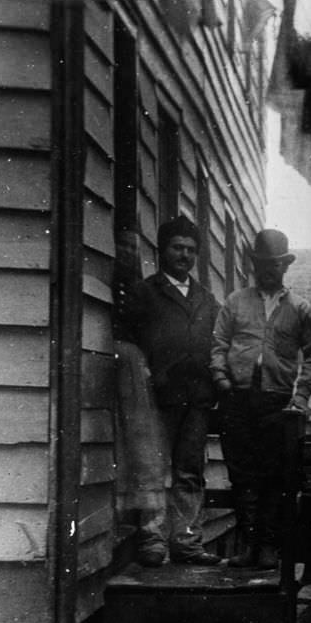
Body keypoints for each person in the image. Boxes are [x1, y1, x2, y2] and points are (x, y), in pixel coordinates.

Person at [211, 229, 311, 569]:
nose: (268, 270)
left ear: (285, 266)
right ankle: (248, 546)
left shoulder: (301, 309)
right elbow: (218, 345)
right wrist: (222, 379)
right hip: (238, 399)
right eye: (262, 263)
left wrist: (301, 396)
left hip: (277, 404)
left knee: (274, 476)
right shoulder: (235, 302)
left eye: (275, 264)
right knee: (242, 474)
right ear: (254, 265)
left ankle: (269, 549)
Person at [123, 216, 221, 566]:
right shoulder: (145, 293)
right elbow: (130, 341)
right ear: (163, 250)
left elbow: (217, 346)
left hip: (196, 398)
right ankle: (152, 540)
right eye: (177, 248)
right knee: (153, 469)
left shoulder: (207, 300)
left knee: (189, 470)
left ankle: (186, 540)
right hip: (156, 397)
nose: (184, 255)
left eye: (191, 250)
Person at [112, 227, 167, 562]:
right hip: (109, 370)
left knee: (144, 447)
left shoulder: (144, 292)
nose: (128, 254)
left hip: (137, 373)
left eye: (134, 248)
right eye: (122, 246)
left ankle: (150, 529)